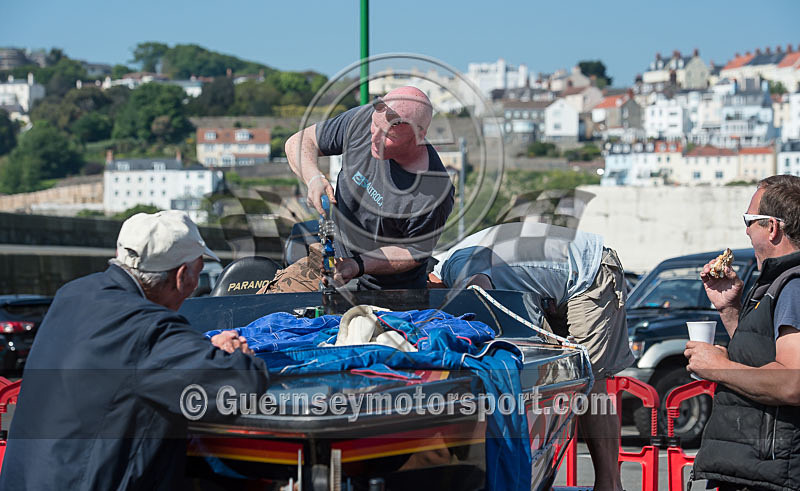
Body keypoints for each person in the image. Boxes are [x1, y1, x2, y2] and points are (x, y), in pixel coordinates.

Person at [0, 211, 268, 490]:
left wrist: (196, 351)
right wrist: (235, 353)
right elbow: (238, 386)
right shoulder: (148, 330)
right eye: (198, 272)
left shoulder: (74, 294)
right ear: (181, 277)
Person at [429, 219, 633, 491]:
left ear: (431, 282)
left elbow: (481, 291)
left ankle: (609, 485)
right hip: (555, 284)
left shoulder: (456, 266)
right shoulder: (449, 261)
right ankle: (539, 476)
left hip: (590, 272)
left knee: (590, 381)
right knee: (548, 380)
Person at [685, 175, 800, 491]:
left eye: (749, 221)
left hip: (772, 476)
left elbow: (792, 382)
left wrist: (717, 367)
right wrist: (730, 310)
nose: (745, 230)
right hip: (756, 471)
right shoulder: (777, 284)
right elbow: (763, 359)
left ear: (772, 228)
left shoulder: (793, 285)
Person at [285, 86, 454, 290]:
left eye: (388, 137)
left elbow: (413, 253)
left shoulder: (434, 192)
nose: (374, 139)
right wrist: (313, 177)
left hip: (385, 290)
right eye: (374, 126)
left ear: (419, 135)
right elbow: (299, 142)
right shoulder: (362, 120)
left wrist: (358, 265)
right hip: (332, 257)